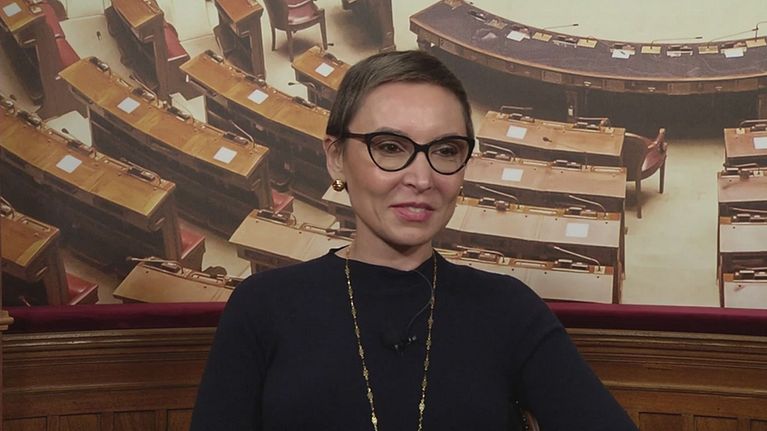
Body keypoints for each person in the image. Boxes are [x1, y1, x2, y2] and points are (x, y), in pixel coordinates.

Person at [190, 50, 638, 431]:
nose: (422, 179)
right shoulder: (262, 307)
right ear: (336, 158)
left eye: (445, 151)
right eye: (390, 147)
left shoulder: (508, 309)